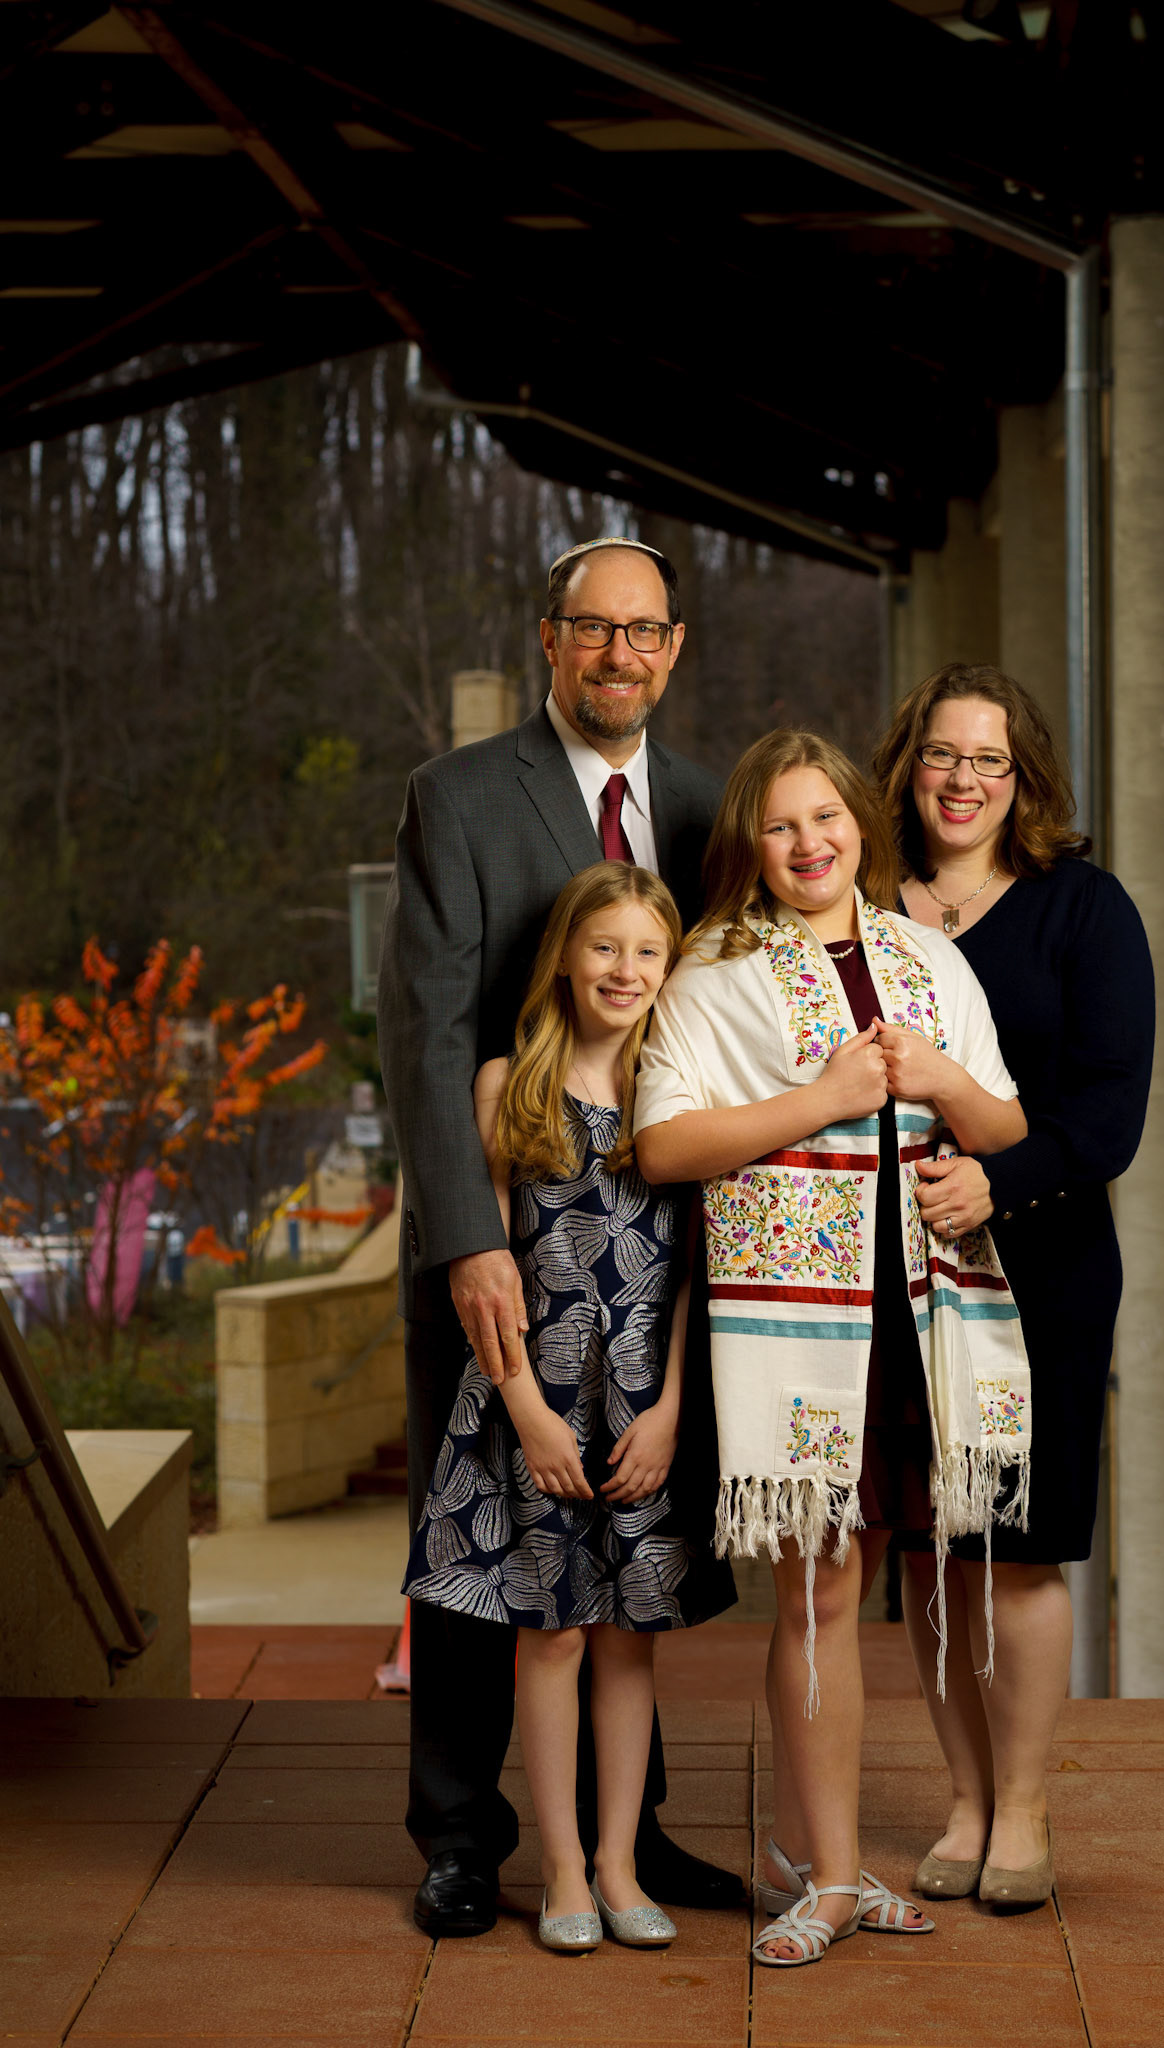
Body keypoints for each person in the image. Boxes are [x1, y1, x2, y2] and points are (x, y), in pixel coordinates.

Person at [377, 537, 740, 1940]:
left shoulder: (711, 812)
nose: (618, 656)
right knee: (491, 1562)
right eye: (594, 630)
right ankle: (465, 1836)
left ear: (674, 646)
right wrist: (470, 1243)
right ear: (550, 639)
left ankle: (620, 1841)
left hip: (650, 1264)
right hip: (505, 1251)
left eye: (643, 633)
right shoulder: (458, 798)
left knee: (630, 1563)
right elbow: (427, 1035)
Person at [634, 729, 1030, 1965]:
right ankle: (832, 1874)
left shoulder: (928, 957)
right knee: (818, 1584)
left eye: (827, 820)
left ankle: (841, 1862)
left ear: (860, 823)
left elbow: (1004, 1115)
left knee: (902, 1575)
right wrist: (825, 1096)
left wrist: (939, 1084)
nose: (809, 845)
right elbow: (661, 1145)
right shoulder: (711, 971)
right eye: (781, 826)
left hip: (925, 1309)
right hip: (800, 1322)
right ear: (751, 845)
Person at [404, 864, 732, 1952]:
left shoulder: (676, 1093)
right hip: (530, 1398)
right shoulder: (510, 1086)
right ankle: (557, 1868)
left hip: (640, 1405)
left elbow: (692, 1275)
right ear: (564, 957)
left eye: (647, 950)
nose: (625, 969)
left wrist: (674, 1404)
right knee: (547, 1639)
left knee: (628, 1643)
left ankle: (619, 1860)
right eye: (604, 947)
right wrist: (528, 1412)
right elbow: (482, 1270)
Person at [871, 661, 1154, 1907]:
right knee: (934, 1546)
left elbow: (1108, 1116)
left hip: (1040, 1263)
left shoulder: (1080, 910)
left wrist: (997, 1179)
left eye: (989, 759)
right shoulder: (862, 907)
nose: (962, 779)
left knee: (1020, 1550)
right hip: (892, 1269)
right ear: (907, 764)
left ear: (1023, 777)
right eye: (942, 753)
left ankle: (1026, 1809)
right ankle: (965, 1797)